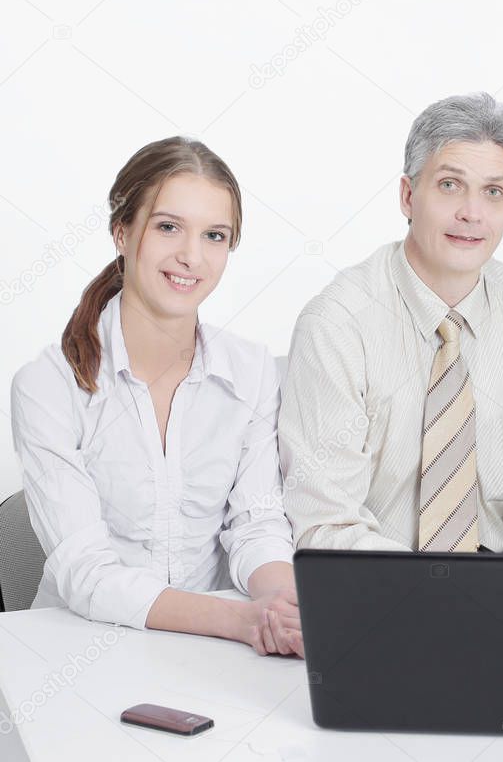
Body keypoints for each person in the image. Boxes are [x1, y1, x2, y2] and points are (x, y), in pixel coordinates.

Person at [280, 92, 503, 555]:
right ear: (407, 195)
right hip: (378, 585)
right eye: (450, 185)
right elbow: (326, 521)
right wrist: (434, 594)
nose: (471, 213)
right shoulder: (337, 324)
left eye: (493, 192)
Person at [10, 137, 303, 657]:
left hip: (215, 655)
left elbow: (257, 523)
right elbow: (87, 574)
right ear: (122, 231)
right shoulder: (49, 385)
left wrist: (282, 609)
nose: (192, 256)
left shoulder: (253, 370)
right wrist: (239, 619)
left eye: (215, 235)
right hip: (77, 654)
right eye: (169, 227)